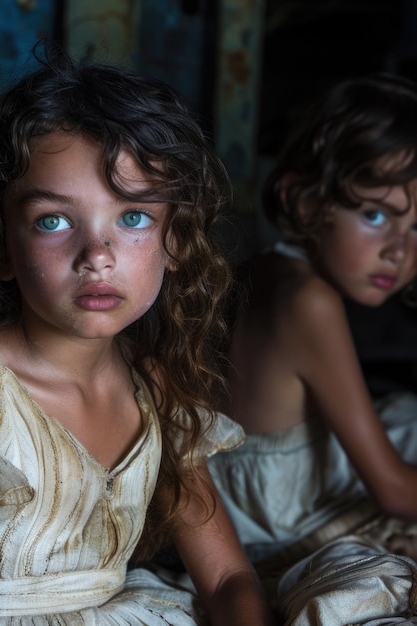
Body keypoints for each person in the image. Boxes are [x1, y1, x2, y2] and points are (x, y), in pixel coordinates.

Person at [0, 43, 274, 625]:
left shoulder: (152, 385)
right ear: (2, 247)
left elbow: (231, 577)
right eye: (53, 221)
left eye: (132, 218)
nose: (97, 257)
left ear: (176, 242)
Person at [208, 73, 417, 624]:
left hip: (257, 499)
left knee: (405, 415)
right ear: (305, 200)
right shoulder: (310, 301)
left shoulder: (270, 268)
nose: (399, 251)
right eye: (376, 216)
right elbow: (395, 491)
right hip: (280, 530)